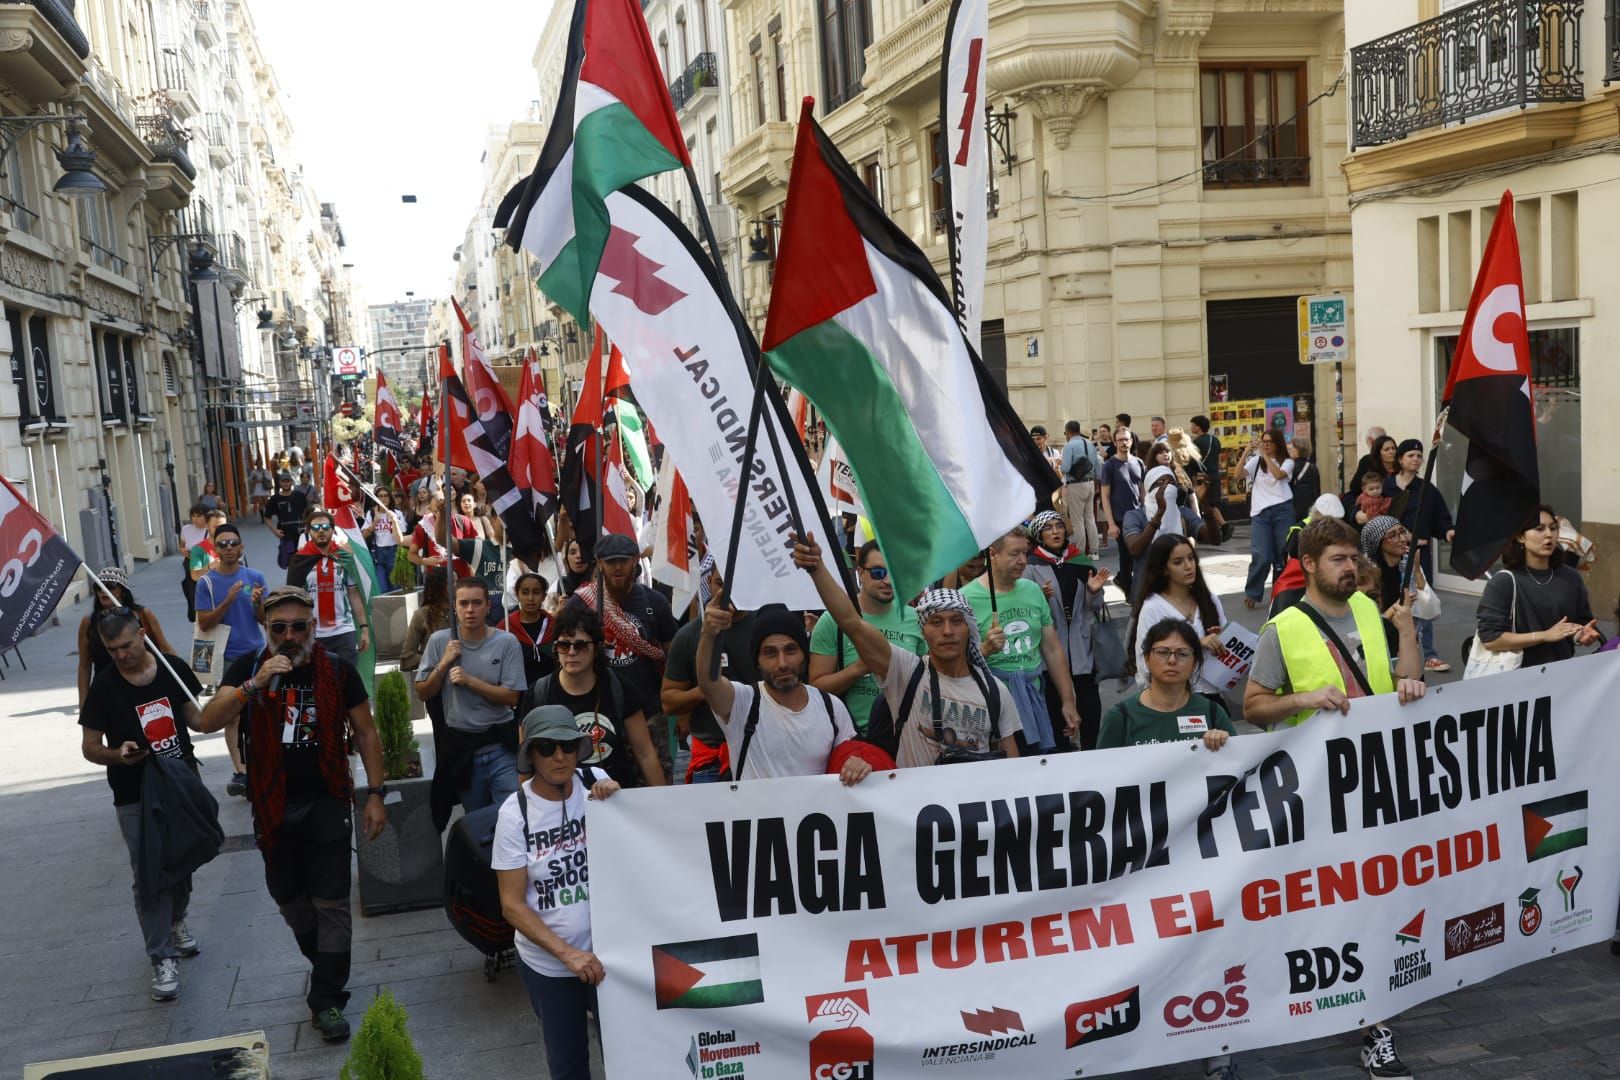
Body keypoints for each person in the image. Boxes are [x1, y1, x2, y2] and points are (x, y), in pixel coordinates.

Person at [1241, 517, 1426, 1077]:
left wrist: (1409, 649)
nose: (1351, 568)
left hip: (1376, 784)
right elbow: (1253, 705)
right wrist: (1303, 698)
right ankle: (1331, 1001)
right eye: (1338, 560)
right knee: (1331, 903)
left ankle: (1373, 1019)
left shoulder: (1369, 609)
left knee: (1374, 899)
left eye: (1354, 558)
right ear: (1310, 565)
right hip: (1315, 794)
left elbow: (1398, 681)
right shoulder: (1284, 627)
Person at [196, 586, 385, 1043]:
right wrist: (254, 685)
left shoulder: (337, 670)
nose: (289, 635)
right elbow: (206, 721)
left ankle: (327, 999)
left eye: (299, 626)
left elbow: (365, 731)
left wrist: (376, 794)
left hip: (327, 799)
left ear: (313, 627)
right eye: (279, 627)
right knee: (291, 902)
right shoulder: (249, 668)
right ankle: (326, 968)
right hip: (272, 806)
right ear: (266, 629)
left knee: (332, 903)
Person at [792, 532, 1019, 767]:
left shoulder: (995, 691)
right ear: (923, 631)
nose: (947, 631)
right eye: (936, 622)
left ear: (970, 629)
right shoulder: (908, 673)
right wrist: (817, 568)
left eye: (956, 621)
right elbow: (852, 623)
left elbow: (1011, 767)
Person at [79, 608, 207, 1002]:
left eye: (126, 645)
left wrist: (238, 695)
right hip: (133, 791)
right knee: (150, 874)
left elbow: (198, 721)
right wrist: (118, 755)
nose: (120, 655)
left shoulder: (172, 669)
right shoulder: (105, 686)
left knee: (184, 860)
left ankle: (176, 920)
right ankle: (161, 957)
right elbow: (90, 747)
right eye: (112, 649)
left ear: (142, 633)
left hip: (181, 782)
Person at [493, 706, 622, 1080]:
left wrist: (619, 800)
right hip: (549, 964)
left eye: (567, 745)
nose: (560, 756)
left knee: (627, 1054)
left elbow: (631, 846)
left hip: (612, 953)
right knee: (568, 1066)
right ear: (531, 755)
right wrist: (569, 955)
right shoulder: (515, 814)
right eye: (547, 748)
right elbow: (511, 905)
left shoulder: (596, 779)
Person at [695, 598, 868, 783]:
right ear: (757, 661)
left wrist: (859, 764)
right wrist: (708, 634)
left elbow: (851, 755)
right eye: (770, 653)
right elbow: (709, 682)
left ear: (804, 654)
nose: (782, 663)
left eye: (790, 650)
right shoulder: (742, 703)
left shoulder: (831, 707)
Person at [565, 533, 678, 773]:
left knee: (657, 780)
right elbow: (566, 655)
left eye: (623, 560)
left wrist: (679, 710)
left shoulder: (655, 602)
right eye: (610, 561)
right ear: (599, 562)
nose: (617, 567)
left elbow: (673, 658)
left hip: (649, 710)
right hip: (600, 712)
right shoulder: (581, 604)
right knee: (604, 783)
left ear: (635, 560)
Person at [961, 529, 1081, 754]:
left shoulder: (1033, 590)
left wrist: (1068, 701)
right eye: (1014, 554)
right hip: (992, 704)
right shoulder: (966, 598)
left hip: (1035, 697)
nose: (1023, 561)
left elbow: (1052, 649)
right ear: (993, 554)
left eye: (1025, 553)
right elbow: (951, 661)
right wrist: (984, 649)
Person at [416, 578, 527, 813]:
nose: (470, 610)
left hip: (501, 746)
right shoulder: (439, 641)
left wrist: (470, 681)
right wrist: (444, 663)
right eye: (463, 603)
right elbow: (423, 692)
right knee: (477, 821)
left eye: (476, 603)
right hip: (462, 749)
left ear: (488, 605)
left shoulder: (506, 642)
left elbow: (512, 697)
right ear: (454, 607)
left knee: (513, 813)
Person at [526, 604, 666, 787]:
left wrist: (661, 799)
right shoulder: (538, 693)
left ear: (597, 648)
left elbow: (645, 752)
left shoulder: (619, 687)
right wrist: (526, 802)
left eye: (581, 645)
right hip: (560, 799)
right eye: (564, 645)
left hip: (616, 795)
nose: (571, 652)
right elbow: (526, 762)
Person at [808, 541, 927, 736]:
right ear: (861, 573)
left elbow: (928, 680)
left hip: (907, 734)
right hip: (852, 736)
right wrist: (858, 668)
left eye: (894, 573)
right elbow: (816, 690)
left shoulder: (916, 619)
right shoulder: (832, 620)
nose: (887, 581)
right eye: (878, 573)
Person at [661, 557, 761, 783]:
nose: (726, 592)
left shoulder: (765, 629)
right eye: (719, 583)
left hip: (761, 751)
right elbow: (669, 702)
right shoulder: (688, 636)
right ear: (709, 583)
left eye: (734, 583)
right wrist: (708, 688)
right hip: (711, 760)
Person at [1023, 511, 1110, 749]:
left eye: (1059, 526)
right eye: (1048, 528)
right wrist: (1039, 598)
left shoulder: (1079, 560)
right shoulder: (1031, 566)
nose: (1055, 532)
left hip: (1082, 645)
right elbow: (1026, 612)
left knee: (1090, 706)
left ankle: (1091, 752)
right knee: (1055, 707)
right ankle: (1062, 754)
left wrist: (1093, 592)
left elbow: (1096, 607)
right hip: (1050, 647)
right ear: (1039, 535)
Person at [1474, 505, 1599, 668]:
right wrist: (1544, 636)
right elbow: (1491, 639)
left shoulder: (1570, 577)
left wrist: (1580, 634)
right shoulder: (1504, 582)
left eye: (1553, 528)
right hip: (1518, 675)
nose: (1549, 534)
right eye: (1539, 529)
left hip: (1561, 672)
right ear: (1520, 537)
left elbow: (1579, 622)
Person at [195, 523, 267, 797]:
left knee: (261, 712)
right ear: (215, 549)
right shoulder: (206, 583)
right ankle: (241, 771)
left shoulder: (255, 577)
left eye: (233, 543)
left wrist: (257, 602)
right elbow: (204, 623)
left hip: (255, 653)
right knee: (232, 716)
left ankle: (263, 763)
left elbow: (264, 620)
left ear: (241, 547)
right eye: (222, 544)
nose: (228, 548)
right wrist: (227, 601)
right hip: (225, 657)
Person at [1126, 534, 1229, 697]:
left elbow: (1230, 654)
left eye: (1191, 558)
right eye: (1178, 562)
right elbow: (1144, 666)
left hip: (1212, 695)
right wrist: (1195, 644)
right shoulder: (1153, 608)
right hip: (1174, 699)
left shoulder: (1210, 600)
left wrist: (1222, 641)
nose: (1188, 566)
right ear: (1163, 569)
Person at [1385, 438, 1455, 672]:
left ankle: (1429, 654)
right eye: (1410, 455)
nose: (1415, 459)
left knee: (1423, 601)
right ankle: (1394, 651)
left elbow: (1440, 519)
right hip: (1390, 557)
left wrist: (1448, 532)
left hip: (1418, 557)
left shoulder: (1427, 490)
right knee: (1393, 601)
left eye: (1419, 456)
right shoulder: (1386, 487)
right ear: (1400, 459)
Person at [78, 567, 177, 706]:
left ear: (122, 590)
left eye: (110, 586)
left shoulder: (142, 615)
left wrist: (182, 678)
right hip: (109, 693)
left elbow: (166, 649)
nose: (103, 591)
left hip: (144, 687)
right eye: (98, 587)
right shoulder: (89, 623)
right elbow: (84, 666)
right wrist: (83, 705)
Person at [286, 510, 369, 669]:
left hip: (344, 630)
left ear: (332, 529)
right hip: (313, 634)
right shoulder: (299, 560)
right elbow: (293, 600)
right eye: (316, 527)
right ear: (309, 531)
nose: (321, 531)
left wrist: (364, 628)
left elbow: (353, 593)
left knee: (348, 678)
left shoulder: (344, 557)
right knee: (320, 680)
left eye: (325, 527)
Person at [1241, 428, 1296, 610]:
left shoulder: (1287, 461)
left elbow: (1279, 475)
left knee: (1282, 554)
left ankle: (1282, 592)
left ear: (1277, 444)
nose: (1265, 445)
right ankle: (1252, 592)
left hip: (1282, 510)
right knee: (1262, 555)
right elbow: (1238, 475)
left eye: (1269, 442)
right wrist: (1246, 452)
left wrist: (1264, 455)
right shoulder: (1256, 461)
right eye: (1263, 441)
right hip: (1260, 513)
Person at [1100, 428, 1145, 594]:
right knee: (1126, 556)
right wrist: (1111, 524)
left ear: (1131, 441)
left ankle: (1124, 581)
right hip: (1120, 519)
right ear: (1115, 443)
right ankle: (1128, 591)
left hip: (1138, 516)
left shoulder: (1139, 463)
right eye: (1120, 440)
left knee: (1139, 555)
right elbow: (1105, 496)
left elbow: (1142, 491)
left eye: (1126, 439)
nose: (1124, 443)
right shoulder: (1109, 465)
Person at [503, 572, 558, 686]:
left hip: (549, 687)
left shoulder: (554, 625)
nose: (530, 598)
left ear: (544, 596)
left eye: (536, 593)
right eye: (525, 592)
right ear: (517, 595)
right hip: (517, 690)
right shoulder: (506, 627)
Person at [1059, 420, 1101, 556]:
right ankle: (1094, 551)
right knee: (1090, 518)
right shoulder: (1090, 444)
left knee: (1077, 521)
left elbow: (1065, 468)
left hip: (1075, 484)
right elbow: (1097, 467)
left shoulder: (1069, 445)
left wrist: (1059, 464)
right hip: (1090, 483)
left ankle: (1081, 552)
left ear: (1068, 432)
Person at [1189, 414, 1231, 544]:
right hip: (1214, 474)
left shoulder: (1196, 442)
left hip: (1204, 476)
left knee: (1209, 504)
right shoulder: (1215, 440)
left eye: (1192, 425)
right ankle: (1217, 528)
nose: (1191, 427)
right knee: (1211, 503)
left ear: (1198, 427)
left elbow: (1192, 461)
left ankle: (1224, 526)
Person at [400, 572, 452, 675]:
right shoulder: (423, 615)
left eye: (458, 581)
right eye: (453, 582)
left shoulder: (464, 611)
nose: (458, 585)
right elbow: (407, 657)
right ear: (440, 586)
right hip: (434, 677)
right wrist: (437, 662)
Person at [362, 487, 407, 591]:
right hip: (378, 553)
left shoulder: (397, 513)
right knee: (381, 588)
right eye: (380, 496)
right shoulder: (371, 513)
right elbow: (363, 535)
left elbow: (403, 536)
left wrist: (394, 522)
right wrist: (375, 522)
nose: (383, 498)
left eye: (386, 495)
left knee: (395, 587)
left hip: (394, 551)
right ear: (376, 498)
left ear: (390, 498)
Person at [264, 474, 309, 570]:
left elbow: (307, 512)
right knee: (289, 560)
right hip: (285, 534)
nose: (286, 483)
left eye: (287, 481)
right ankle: (293, 576)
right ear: (279, 483)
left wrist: (308, 527)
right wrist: (274, 531)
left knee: (304, 557)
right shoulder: (274, 499)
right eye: (283, 481)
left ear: (291, 482)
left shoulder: (299, 495)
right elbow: (267, 517)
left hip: (301, 532)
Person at [1287, 434, 1320, 525]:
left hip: (1293, 509)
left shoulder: (1291, 467)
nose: (1289, 451)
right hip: (1309, 510)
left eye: (1291, 448)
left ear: (1298, 449)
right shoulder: (1313, 467)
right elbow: (1317, 491)